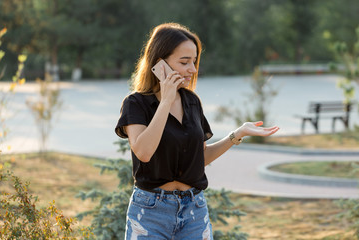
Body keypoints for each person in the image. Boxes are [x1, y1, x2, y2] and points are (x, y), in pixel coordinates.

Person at [115, 22, 279, 240]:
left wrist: (236, 134)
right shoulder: (135, 104)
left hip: (194, 209)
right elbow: (143, 152)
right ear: (159, 64)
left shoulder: (192, 102)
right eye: (184, 62)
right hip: (150, 213)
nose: (192, 70)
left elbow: (200, 158)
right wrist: (165, 101)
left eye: (194, 61)